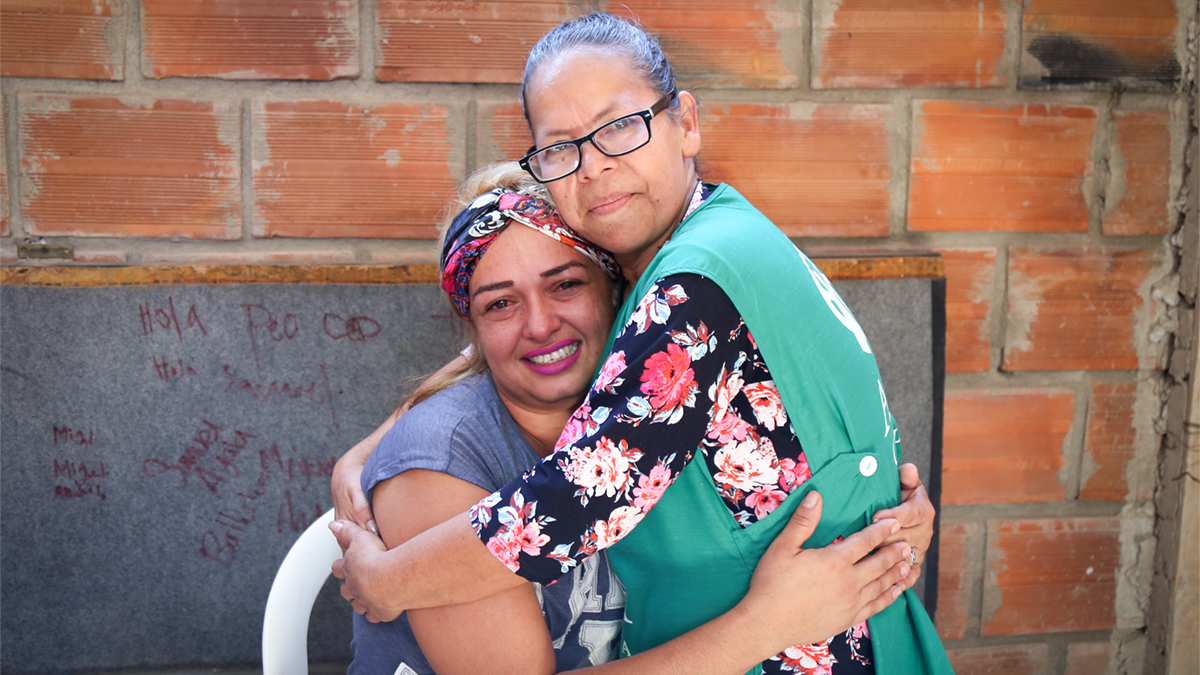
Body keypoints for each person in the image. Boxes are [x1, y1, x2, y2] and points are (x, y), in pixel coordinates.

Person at [333, 12, 952, 674]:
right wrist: (365, 456)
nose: (595, 166)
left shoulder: (692, 285)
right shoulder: (720, 242)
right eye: (562, 148)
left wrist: (386, 579)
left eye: (621, 126)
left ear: (685, 123)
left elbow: (575, 497)